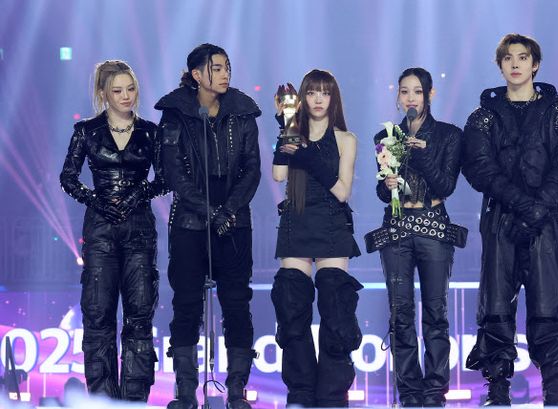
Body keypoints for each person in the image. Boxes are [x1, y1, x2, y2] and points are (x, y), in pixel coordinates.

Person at [461, 33, 558, 406]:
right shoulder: (483, 117)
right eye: (508, 58)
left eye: (522, 57)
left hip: (544, 221)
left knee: (548, 304)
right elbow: (478, 166)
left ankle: (556, 391)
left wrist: (538, 208)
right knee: (496, 305)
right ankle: (498, 389)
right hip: (501, 219)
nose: (515, 63)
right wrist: (521, 204)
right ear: (500, 65)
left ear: (535, 65)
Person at [155, 44, 261, 409]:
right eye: (216, 68)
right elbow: (173, 172)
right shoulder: (175, 113)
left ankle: (237, 391)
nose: (225, 73)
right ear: (197, 74)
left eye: (227, 66)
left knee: (237, 303)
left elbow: (252, 169)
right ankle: (186, 392)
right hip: (189, 219)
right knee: (186, 303)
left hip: (234, 218)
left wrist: (227, 210)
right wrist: (207, 211)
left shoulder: (243, 110)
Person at [60, 60, 164, 402]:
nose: (125, 96)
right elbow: (68, 177)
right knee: (98, 315)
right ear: (103, 93)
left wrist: (137, 195)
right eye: (117, 90)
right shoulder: (86, 131)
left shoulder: (150, 132)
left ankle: (134, 400)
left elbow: (165, 179)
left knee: (139, 315)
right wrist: (95, 199)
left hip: (139, 229)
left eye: (130, 89)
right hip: (101, 230)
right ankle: (103, 400)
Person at [271, 70, 362, 407]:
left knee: (336, 312)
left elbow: (342, 191)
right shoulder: (293, 133)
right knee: (292, 309)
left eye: (325, 92)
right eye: (312, 93)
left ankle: (332, 396)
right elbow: (278, 174)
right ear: (303, 98)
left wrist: (308, 156)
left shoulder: (345, 139)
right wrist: (287, 127)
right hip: (296, 221)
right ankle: (301, 394)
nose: (319, 99)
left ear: (333, 97)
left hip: (331, 223)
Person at [373, 67, 462, 407]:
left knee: (436, 311)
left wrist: (422, 155)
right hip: (397, 226)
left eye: (417, 91)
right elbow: (382, 192)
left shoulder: (449, 135)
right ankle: (409, 392)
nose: (410, 98)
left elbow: (446, 186)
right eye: (404, 91)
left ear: (429, 95)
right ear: (397, 96)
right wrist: (387, 185)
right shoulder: (385, 136)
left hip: (433, 225)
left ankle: (435, 391)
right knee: (400, 313)